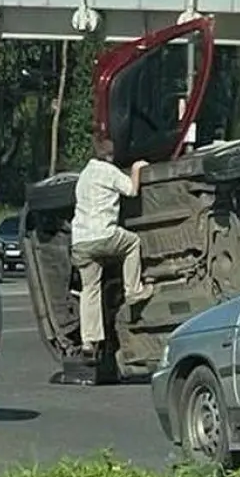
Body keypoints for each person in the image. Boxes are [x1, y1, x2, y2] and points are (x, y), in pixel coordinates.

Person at [70, 134, 153, 358]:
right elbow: (131, 190)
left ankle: (89, 340)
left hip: (80, 242)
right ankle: (134, 290)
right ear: (110, 155)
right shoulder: (109, 171)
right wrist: (136, 168)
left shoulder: (84, 176)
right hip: (104, 235)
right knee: (132, 243)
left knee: (90, 289)